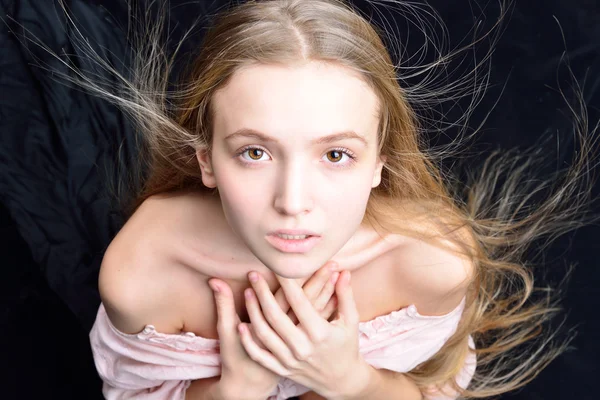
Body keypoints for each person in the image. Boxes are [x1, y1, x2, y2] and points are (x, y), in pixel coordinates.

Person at [48, 0, 592, 399]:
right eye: (255, 153)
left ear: (381, 160)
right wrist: (235, 390)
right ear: (206, 160)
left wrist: (352, 381)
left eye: (335, 155)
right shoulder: (141, 272)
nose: (293, 202)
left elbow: (435, 389)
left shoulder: (432, 259)